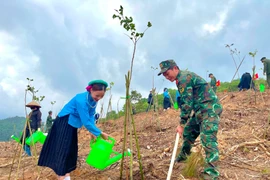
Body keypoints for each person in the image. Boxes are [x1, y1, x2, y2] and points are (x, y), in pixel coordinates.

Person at [158, 59, 222, 179]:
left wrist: (181, 124)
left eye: (167, 73)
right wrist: (184, 125)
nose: (166, 77)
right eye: (164, 75)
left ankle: (211, 174)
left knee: (207, 138)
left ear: (175, 68)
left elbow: (187, 103)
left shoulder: (183, 79)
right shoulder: (180, 79)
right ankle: (184, 156)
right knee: (189, 132)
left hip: (209, 109)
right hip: (200, 110)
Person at [38, 80, 110, 180]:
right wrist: (100, 133)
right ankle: (61, 175)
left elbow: (91, 116)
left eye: (101, 97)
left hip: (72, 124)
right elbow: (86, 121)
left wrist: (93, 132)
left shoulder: (93, 101)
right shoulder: (81, 100)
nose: (98, 99)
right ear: (91, 90)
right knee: (63, 149)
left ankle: (66, 174)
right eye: (97, 95)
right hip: (64, 122)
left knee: (70, 149)